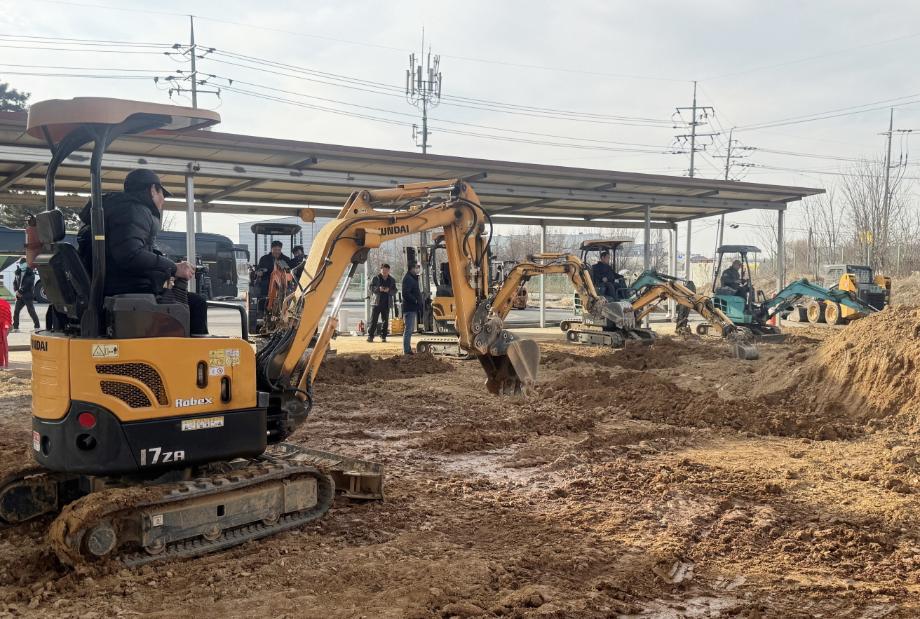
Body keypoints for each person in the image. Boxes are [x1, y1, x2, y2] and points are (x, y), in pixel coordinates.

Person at [76, 168, 206, 334]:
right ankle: (191, 358)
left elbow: (127, 248)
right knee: (197, 303)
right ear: (153, 190)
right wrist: (174, 268)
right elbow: (130, 254)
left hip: (111, 286)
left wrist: (166, 266)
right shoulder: (135, 210)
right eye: (162, 195)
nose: (162, 201)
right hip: (126, 289)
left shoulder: (113, 211)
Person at [367, 263, 396, 343]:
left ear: (389, 270)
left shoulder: (392, 280)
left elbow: (395, 290)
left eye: (386, 270)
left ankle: (383, 336)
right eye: (383, 270)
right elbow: (371, 288)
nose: (385, 272)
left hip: (386, 303)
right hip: (376, 303)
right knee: (373, 320)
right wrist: (378, 289)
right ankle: (370, 336)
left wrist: (389, 290)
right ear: (380, 270)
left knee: (385, 321)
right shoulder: (375, 278)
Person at [12, 257, 40, 332]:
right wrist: (16, 290)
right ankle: (15, 328)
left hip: (27, 295)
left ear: (26, 264)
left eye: (22, 263)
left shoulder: (30, 272)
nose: (21, 265)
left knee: (31, 311)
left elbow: (28, 283)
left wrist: (20, 291)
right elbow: (15, 282)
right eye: (20, 264)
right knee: (16, 311)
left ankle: (37, 327)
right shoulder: (18, 272)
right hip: (19, 296)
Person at [401, 261, 422, 354]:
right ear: (412, 268)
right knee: (408, 330)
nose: (418, 269)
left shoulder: (412, 278)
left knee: (409, 330)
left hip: (412, 308)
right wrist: (415, 300)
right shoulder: (408, 279)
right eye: (416, 267)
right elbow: (405, 293)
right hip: (409, 308)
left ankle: (407, 349)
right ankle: (406, 350)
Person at [0, 297, 10, 368]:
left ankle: (2, 362)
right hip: (6, 322)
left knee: (2, 341)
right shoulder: (5, 303)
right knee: (4, 340)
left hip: (4, 321)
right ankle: (5, 363)